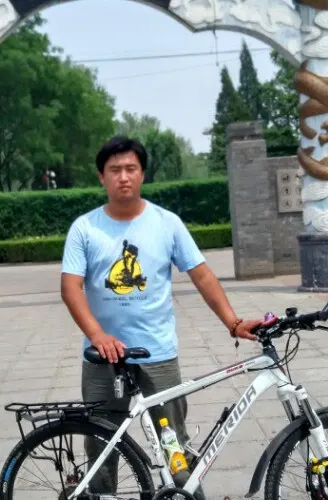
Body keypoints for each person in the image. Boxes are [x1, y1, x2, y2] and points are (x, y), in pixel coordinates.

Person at [60, 135, 262, 497]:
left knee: (174, 446)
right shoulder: (85, 228)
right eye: (115, 170)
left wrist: (233, 322)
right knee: (101, 446)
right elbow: (70, 287)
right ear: (101, 177)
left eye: (131, 168)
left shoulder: (167, 223)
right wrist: (97, 335)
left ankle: (184, 494)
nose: (123, 176)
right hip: (103, 358)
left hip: (158, 354)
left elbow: (202, 275)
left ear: (142, 174)